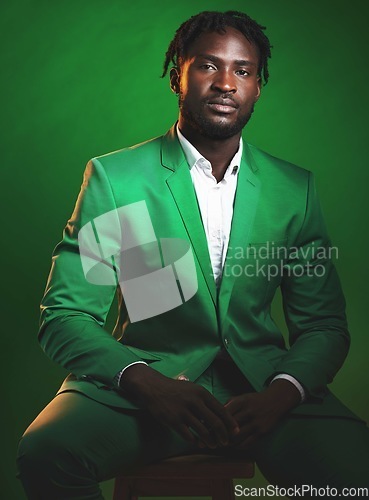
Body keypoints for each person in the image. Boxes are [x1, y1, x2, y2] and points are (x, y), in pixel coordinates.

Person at [16, 10, 369, 499]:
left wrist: (282, 393)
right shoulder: (117, 180)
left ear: (258, 87)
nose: (226, 82)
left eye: (243, 70)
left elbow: (325, 325)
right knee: (46, 453)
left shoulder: (294, 190)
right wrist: (144, 382)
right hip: (145, 392)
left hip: (264, 393)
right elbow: (65, 315)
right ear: (177, 75)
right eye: (208, 66)